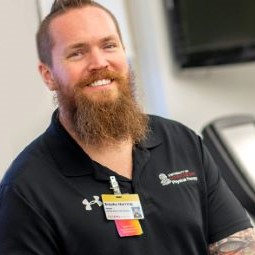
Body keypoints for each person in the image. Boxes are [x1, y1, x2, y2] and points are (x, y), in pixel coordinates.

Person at [0, 0, 254, 254]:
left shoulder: (181, 142)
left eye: (109, 45)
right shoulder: (25, 190)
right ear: (48, 75)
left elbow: (238, 243)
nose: (99, 62)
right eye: (77, 52)